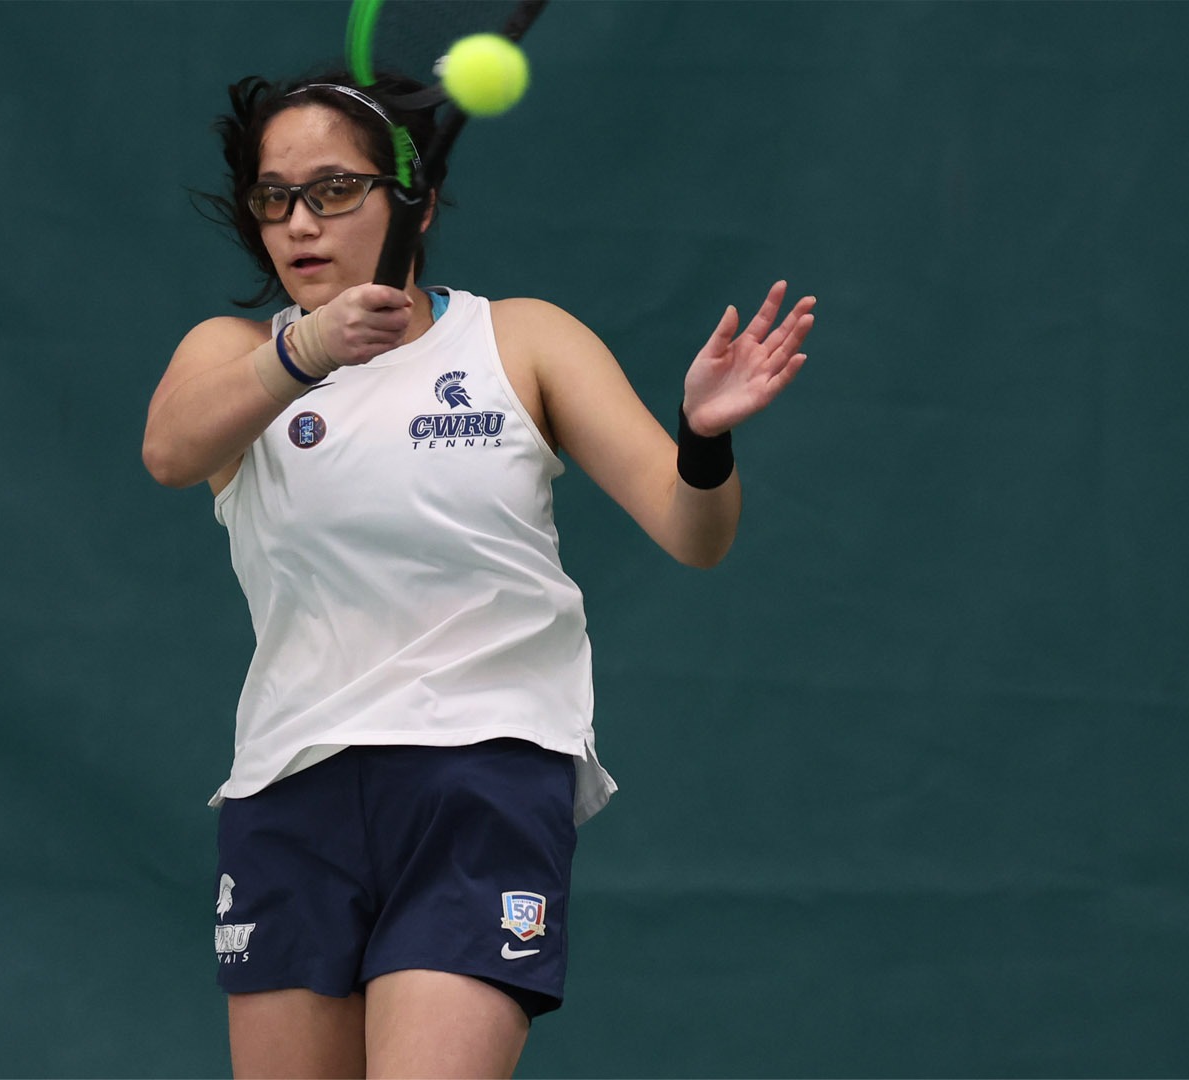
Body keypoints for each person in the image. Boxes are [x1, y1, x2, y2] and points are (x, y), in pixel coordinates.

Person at [142, 71, 815, 1079]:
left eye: (334, 189)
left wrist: (704, 440)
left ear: (414, 202)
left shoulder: (523, 340)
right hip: (290, 792)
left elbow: (694, 533)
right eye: (274, 196)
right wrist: (311, 348)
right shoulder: (236, 356)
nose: (299, 222)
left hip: (479, 780)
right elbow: (168, 449)